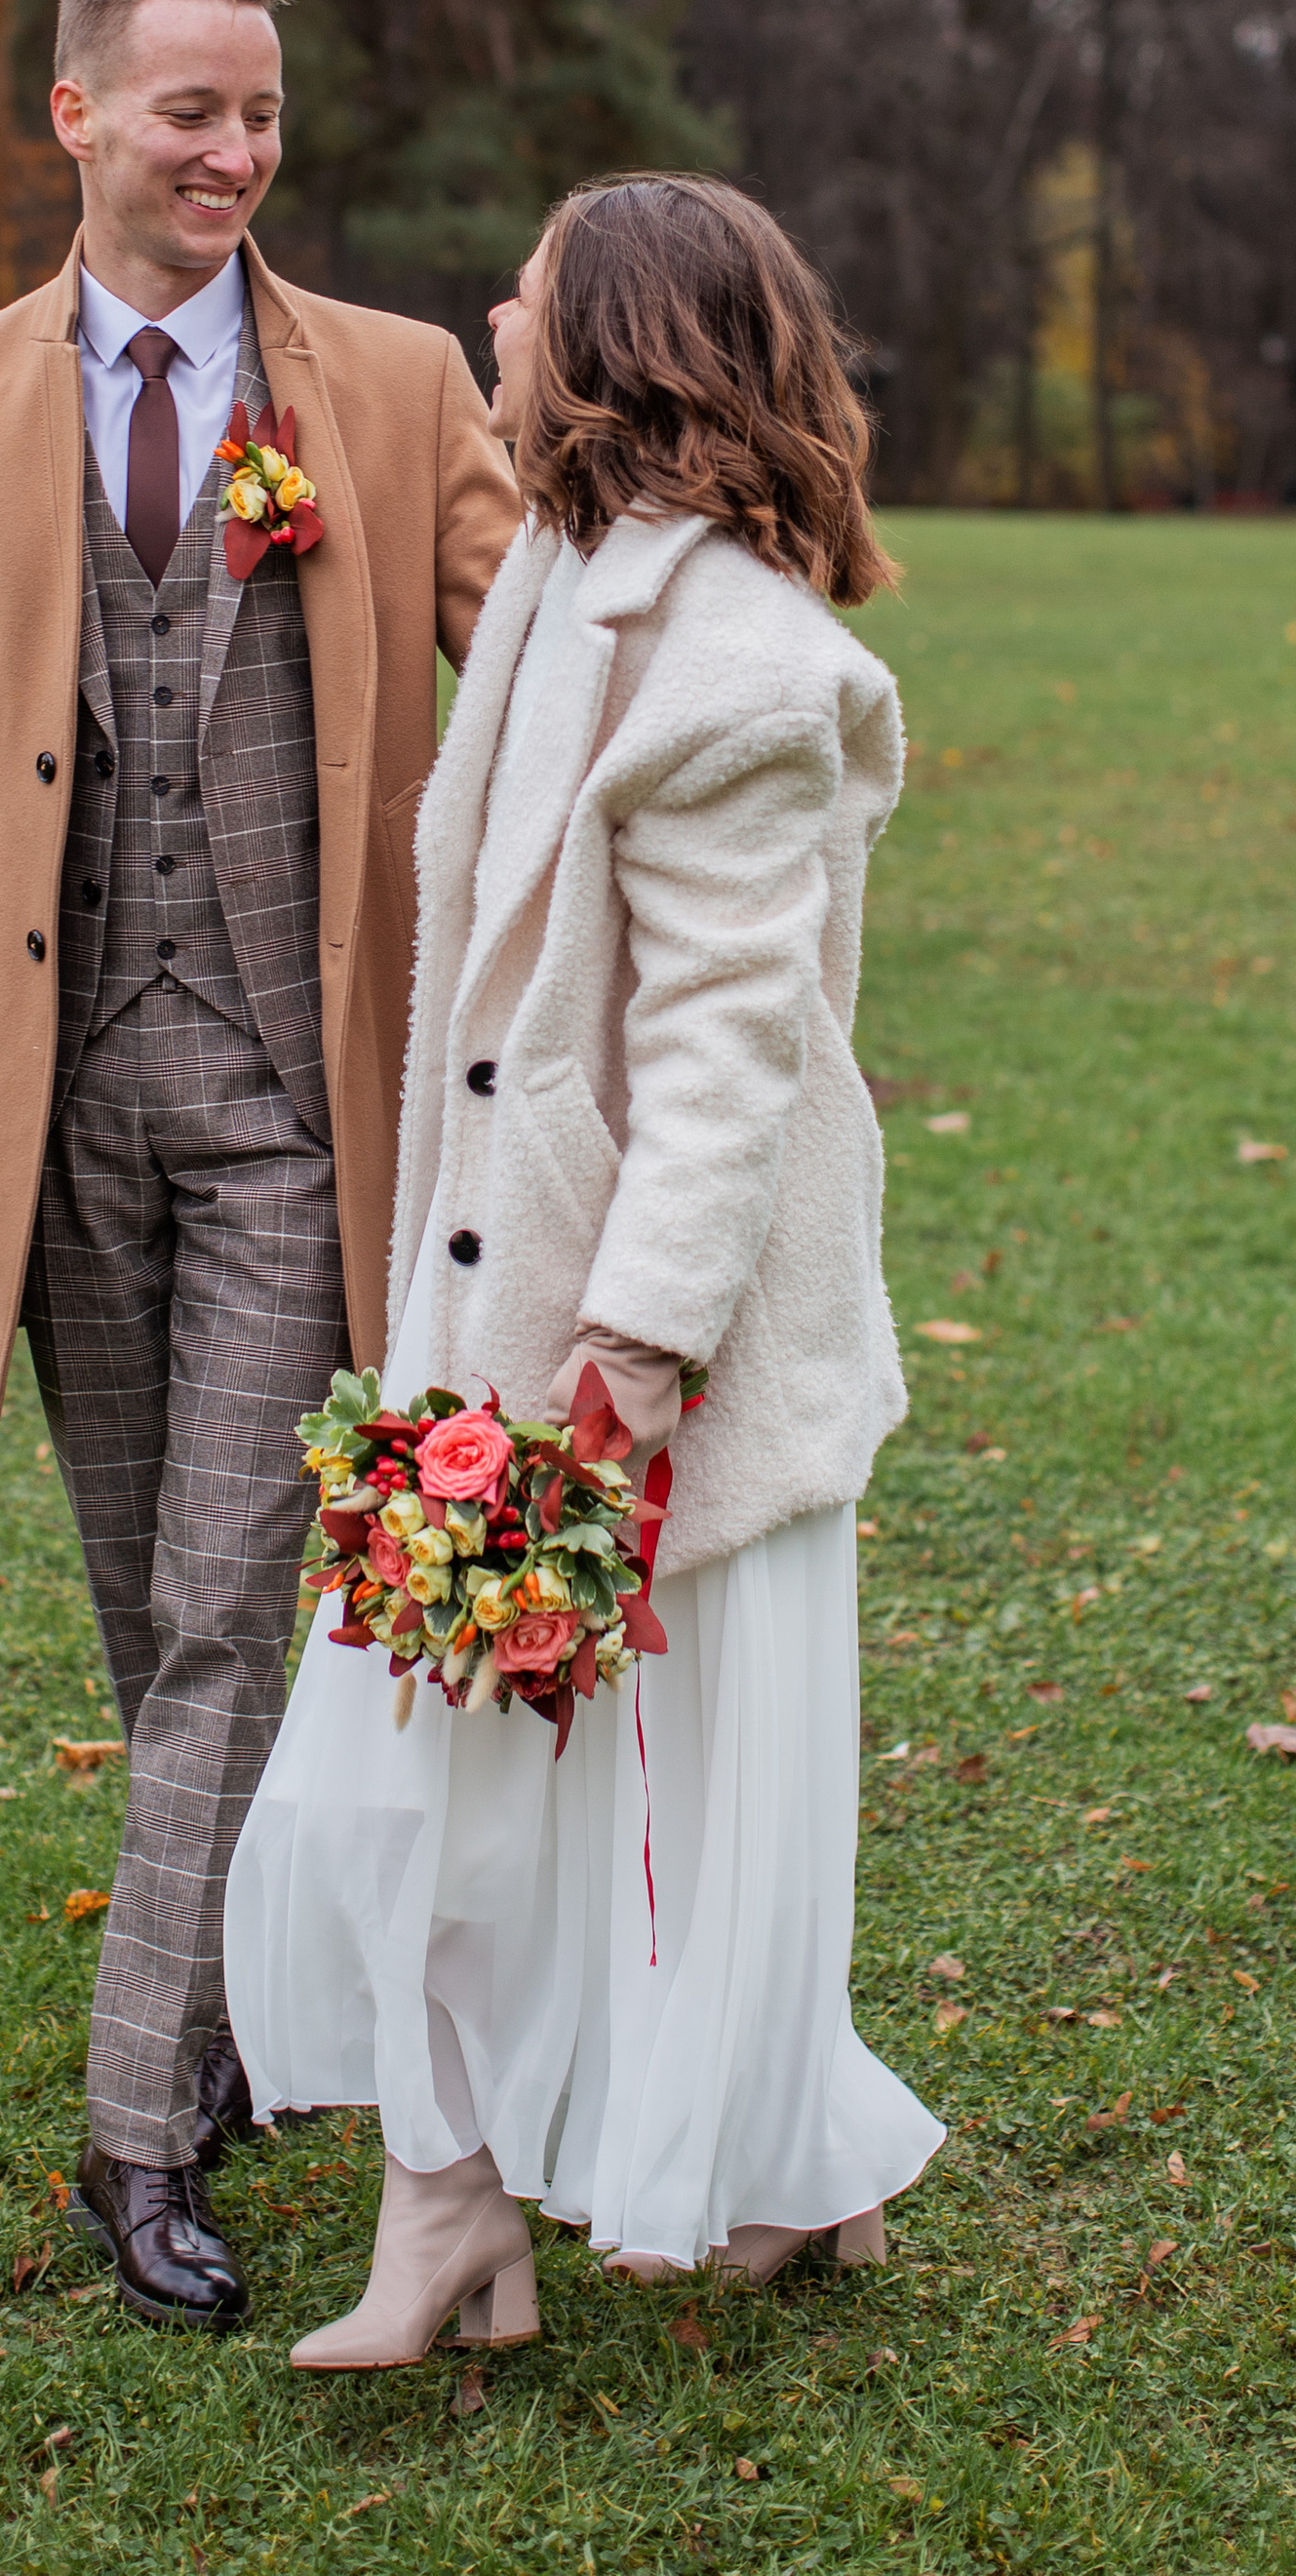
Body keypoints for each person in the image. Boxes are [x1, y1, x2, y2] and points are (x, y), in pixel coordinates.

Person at [0, 0, 519, 2334]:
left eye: (262, 116)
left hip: (305, 1111)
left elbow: (543, 659)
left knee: (226, 1605)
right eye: (192, 111)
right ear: (76, 114)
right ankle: (233, 2004)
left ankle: (135, 2128)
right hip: (52, 1114)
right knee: (147, 1610)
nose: (235, 154)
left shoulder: (391, 382)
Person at [226, 173, 943, 2368]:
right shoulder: (556, 573)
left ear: (618, 343)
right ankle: (462, 2209)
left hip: (644, 1337)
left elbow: (729, 1047)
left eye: (526, 296)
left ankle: (757, 2165)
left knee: (670, 1792)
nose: (492, 316)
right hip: (494, 1299)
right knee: (414, 1778)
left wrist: (634, 1344)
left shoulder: (741, 663)